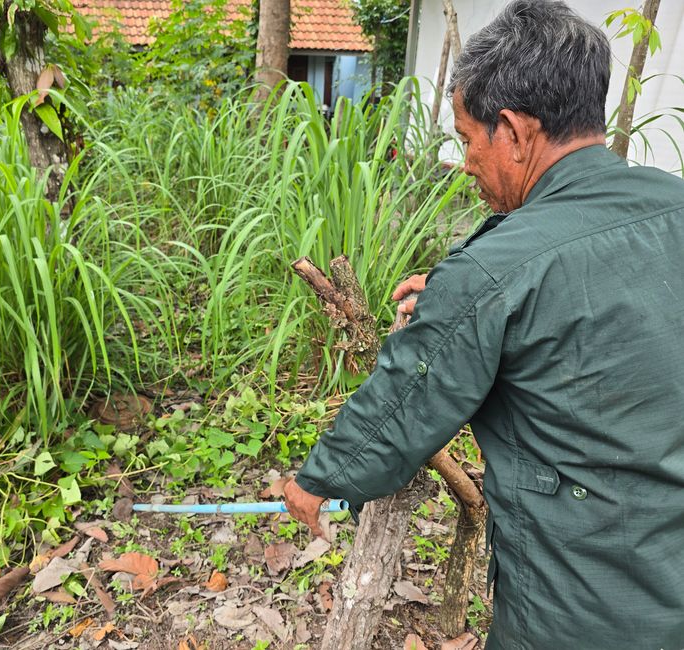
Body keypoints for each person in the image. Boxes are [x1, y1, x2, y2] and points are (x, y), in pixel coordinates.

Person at [283, 1, 684, 648]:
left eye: (468, 138)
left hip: (576, 606)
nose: (466, 162)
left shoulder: (496, 270)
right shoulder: (672, 205)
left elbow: (406, 402)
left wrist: (316, 480)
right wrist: (469, 296)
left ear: (515, 132)